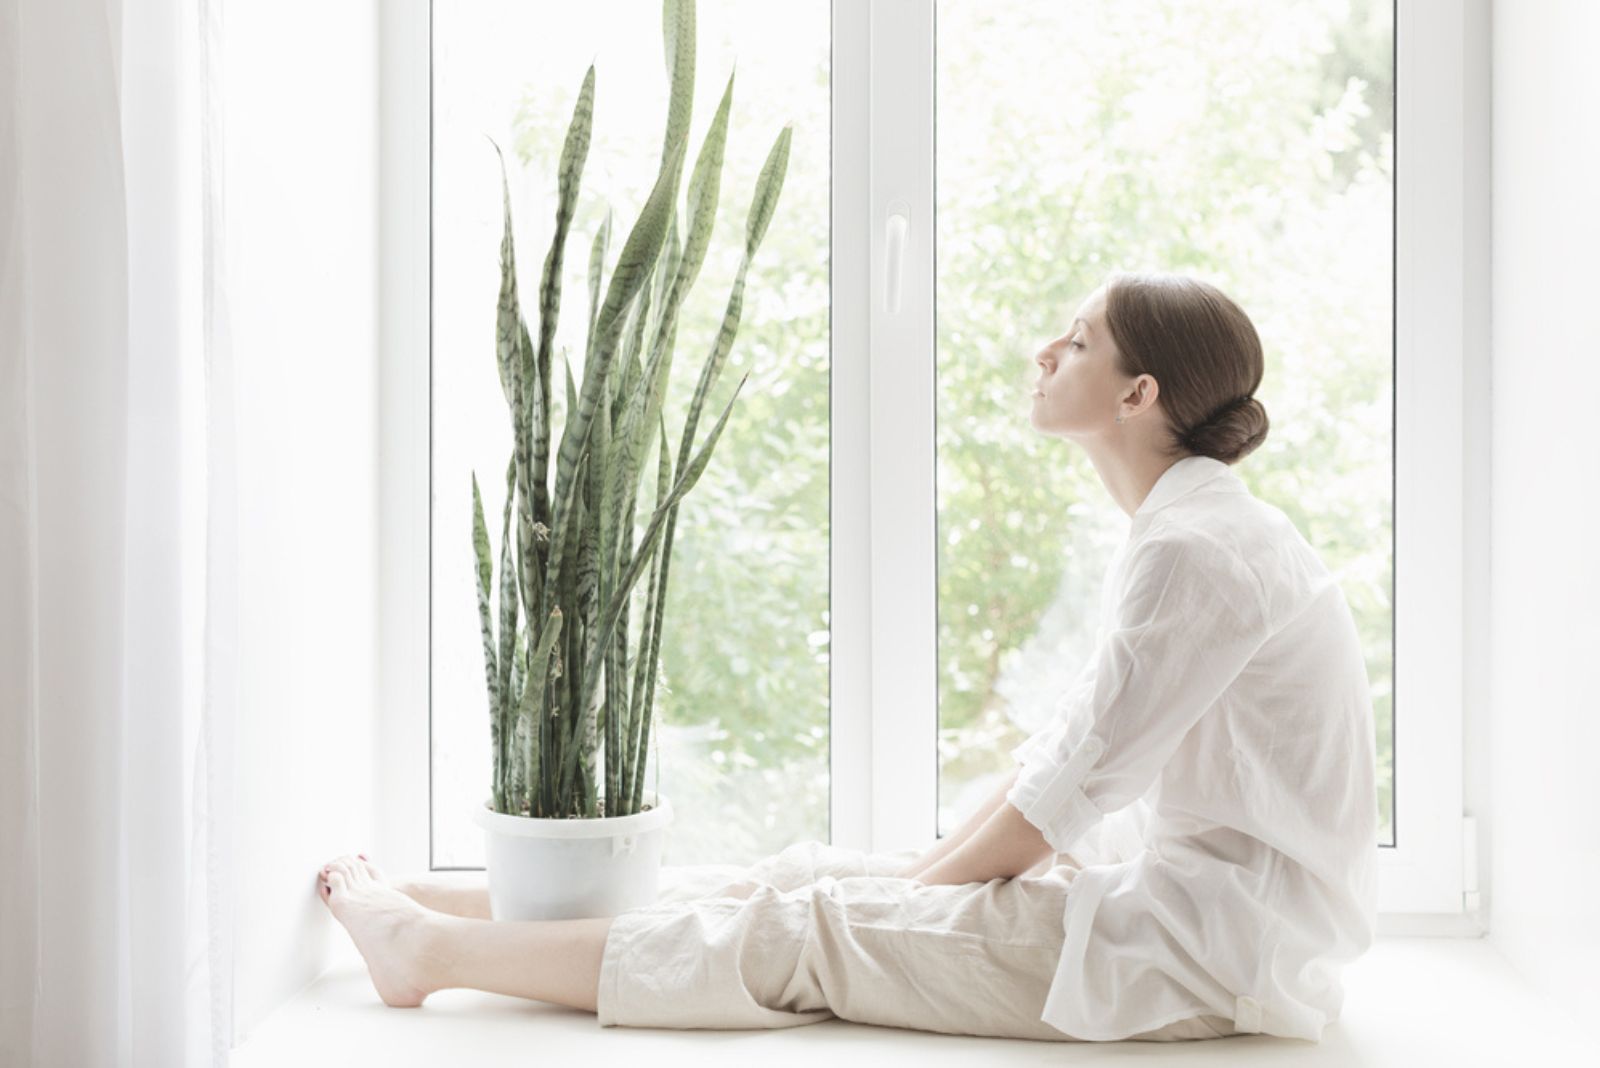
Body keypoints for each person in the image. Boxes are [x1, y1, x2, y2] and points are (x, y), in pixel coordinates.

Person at [318, 270, 1378, 1043]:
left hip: (1205, 951)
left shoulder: (1193, 553)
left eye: (1077, 341)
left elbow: (1057, 805)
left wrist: (916, 897)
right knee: (809, 873)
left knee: (810, 926)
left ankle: (430, 954)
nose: (1044, 354)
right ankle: (458, 907)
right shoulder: (1193, 532)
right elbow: (1057, 765)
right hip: (1173, 902)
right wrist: (914, 881)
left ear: (1138, 395)